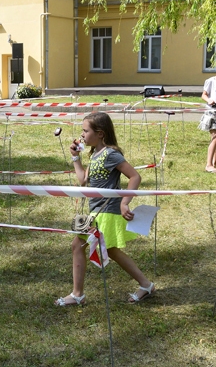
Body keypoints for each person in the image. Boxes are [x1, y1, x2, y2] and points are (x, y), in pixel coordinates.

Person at [55, 112, 155, 307]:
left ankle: (78, 294)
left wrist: (124, 202)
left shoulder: (111, 154)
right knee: (103, 249)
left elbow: (135, 177)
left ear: (100, 133)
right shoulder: (94, 155)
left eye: (86, 131)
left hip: (107, 210)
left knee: (83, 246)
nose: (82, 135)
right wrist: (76, 158)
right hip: (94, 210)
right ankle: (145, 285)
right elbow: (83, 180)